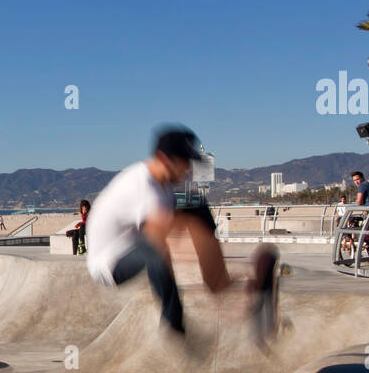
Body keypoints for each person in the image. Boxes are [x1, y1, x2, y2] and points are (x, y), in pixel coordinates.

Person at [86, 125, 277, 337]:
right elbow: (164, 239)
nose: (188, 171)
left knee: (197, 206)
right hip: (109, 265)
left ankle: (218, 282)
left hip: (134, 244)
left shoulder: (164, 187)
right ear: (164, 158)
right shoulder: (142, 185)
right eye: (184, 163)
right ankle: (173, 321)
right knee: (156, 248)